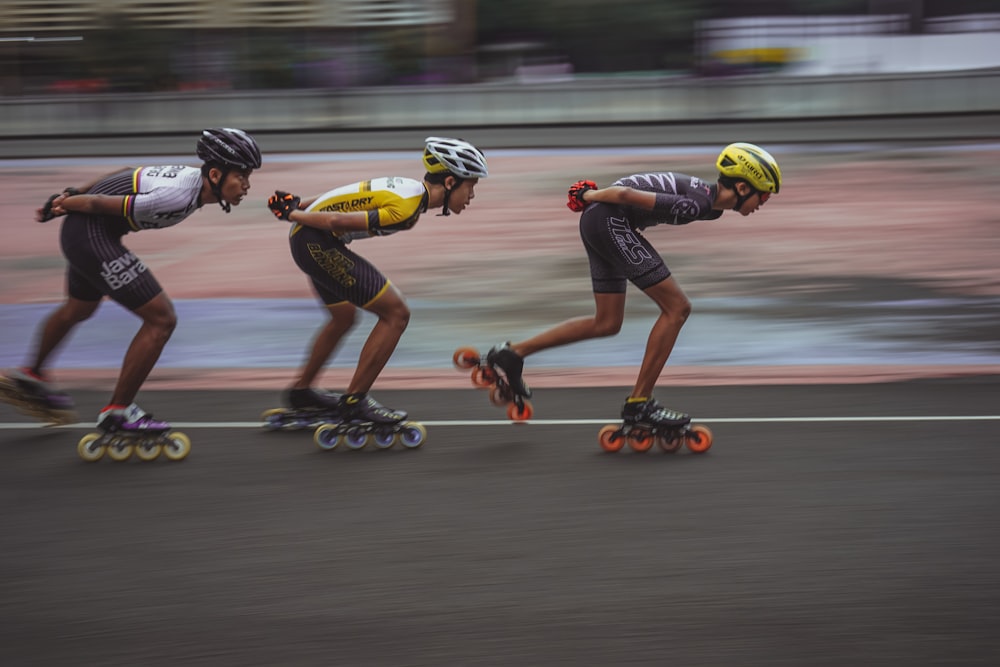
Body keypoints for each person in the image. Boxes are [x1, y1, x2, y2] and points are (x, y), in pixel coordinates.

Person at [483, 142, 782, 427]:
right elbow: (626, 195)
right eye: (764, 195)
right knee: (677, 308)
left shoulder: (709, 203)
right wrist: (588, 195)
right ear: (743, 187)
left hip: (601, 221)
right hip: (609, 218)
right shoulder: (698, 202)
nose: (764, 203)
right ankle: (640, 403)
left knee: (607, 322)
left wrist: (592, 200)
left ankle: (513, 353)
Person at [0, 128, 262, 431]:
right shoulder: (177, 196)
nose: (246, 185)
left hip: (88, 233)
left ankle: (32, 374)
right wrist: (64, 203)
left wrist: (71, 194)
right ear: (215, 175)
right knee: (161, 319)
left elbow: (126, 172)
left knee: (79, 309)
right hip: (90, 234)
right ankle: (118, 412)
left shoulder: (190, 180)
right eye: (241, 176)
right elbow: (98, 204)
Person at [266, 136, 489, 425]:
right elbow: (338, 222)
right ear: (449, 183)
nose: (471, 196)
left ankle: (302, 393)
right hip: (316, 241)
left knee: (343, 317)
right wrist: (293, 212)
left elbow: (343, 195)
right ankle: (354, 402)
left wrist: (298, 206)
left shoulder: (407, 188)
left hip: (309, 239)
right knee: (396, 313)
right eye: (470, 187)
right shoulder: (406, 208)